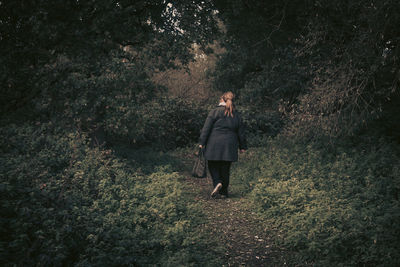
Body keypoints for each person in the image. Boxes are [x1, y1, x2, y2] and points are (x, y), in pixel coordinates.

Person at [199, 91, 247, 198]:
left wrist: (202, 142)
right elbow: (241, 133)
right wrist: (242, 146)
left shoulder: (214, 112)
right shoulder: (237, 115)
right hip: (230, 145)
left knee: (213, 165)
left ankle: (217, 183)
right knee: (225, 168)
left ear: (222, 99)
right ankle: (224, 192)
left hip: (214, 143)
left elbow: (206, 129)